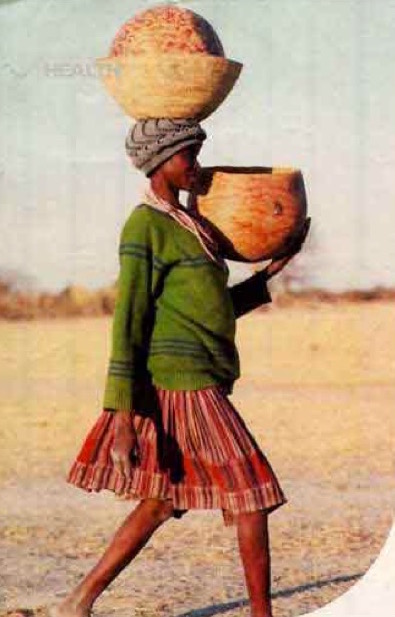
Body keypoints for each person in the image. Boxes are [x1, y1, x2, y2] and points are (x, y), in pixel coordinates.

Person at [53, 118, 310, 617]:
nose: (198, 166)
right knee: (251, 496)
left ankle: (77, 602)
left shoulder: (192, 228)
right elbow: (127, 324)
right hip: (180, 381)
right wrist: (123, 419)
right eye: (188, 155)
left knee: (159, 501)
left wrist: (271, 272)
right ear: (159, 163)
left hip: (198, 377)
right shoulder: (145, 226)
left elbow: (212, 309)